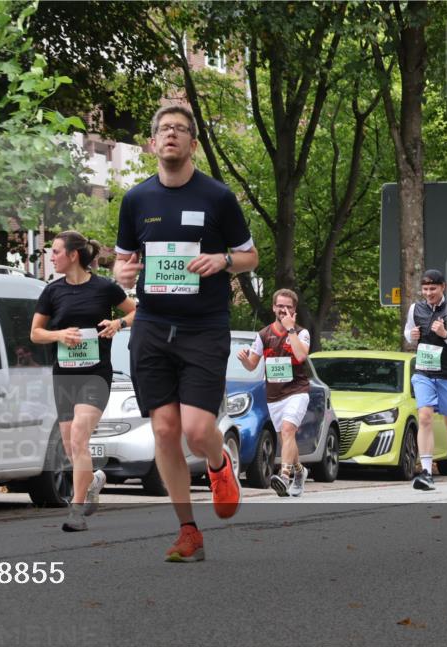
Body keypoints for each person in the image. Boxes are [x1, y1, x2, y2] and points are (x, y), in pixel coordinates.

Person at [114, 104, 258, 561]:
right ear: (153, 144)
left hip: (204, 327)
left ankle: (219, 464)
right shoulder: (136, 200)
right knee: (164, 430)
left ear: (193, 144)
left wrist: (224, 261)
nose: (171, 135)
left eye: (180, 129)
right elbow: (122, 261)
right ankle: (188, 530)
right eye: (164, 130)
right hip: (152, 326)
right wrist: (123, 275)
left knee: (197, 431)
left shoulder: (217, 198)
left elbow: (251, 256)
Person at [31, 231, 136, 531]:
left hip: (95, 374)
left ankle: (75, 512)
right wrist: (59, 335)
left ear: (73, 255)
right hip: (64, 375)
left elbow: (136, 312)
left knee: (78, 436)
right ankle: (93, 481)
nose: (51, 257)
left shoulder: (105, 288)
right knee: (71, 446)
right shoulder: (52, 291)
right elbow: (35, 333)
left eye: (55, 251)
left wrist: (118, 323)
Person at [236, 289, 311, 497]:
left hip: (297, 391)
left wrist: (290, 331)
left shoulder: (302, 332)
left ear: (294, 310)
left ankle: (284, 476)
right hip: (274, 395)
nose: (283, 310)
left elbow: (300, 356)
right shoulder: (263, 335)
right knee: (288, 437)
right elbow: (252, 365)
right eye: (280, 306)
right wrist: (244, 360)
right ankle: (299, 472)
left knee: (288, 430)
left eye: (288, 307)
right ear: (274, 307)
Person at [404, 269, 447, 491]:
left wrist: (446, 335)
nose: (428, 293)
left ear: (443, 287)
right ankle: (426, 472)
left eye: (433, 288)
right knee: (424, 416)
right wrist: (411, 336)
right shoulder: (416, 308)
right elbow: (407, 332)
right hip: (424, 372)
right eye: (425, 289)